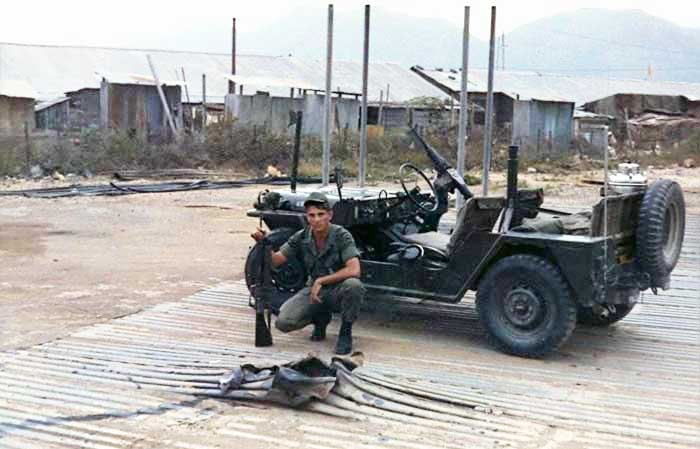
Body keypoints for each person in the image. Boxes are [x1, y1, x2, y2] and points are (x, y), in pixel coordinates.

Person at [250, 191, 365, 355]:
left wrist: (321, 281)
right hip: (313, 291)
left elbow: (354, 270)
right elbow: (276, 260)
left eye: (321, 214)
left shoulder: (341, 235)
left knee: (354, 286)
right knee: (283, 322)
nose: (316, 220)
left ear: (330, 215)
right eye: (312, 215)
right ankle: (320, 318)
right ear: (307, 217)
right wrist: (265, 243)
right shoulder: (301, 236)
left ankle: (345, 333)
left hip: (337, 289)